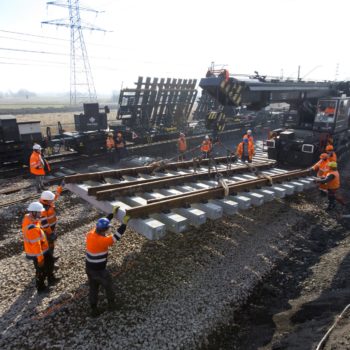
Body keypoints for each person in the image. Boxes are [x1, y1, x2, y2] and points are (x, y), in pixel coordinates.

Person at [85, 207, 130, 317]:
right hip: (99, 270)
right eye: (107, 229)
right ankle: (112, 305)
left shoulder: (90, 234)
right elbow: (117, 236)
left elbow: (102, 223)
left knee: (93, 287)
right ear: (104, 230)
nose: (108, 230)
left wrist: (111, 214)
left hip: (89, 269)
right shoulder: (104, 241)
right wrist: (124, 223)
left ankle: (94, 309)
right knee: (108, 286)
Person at [22, 202, 59, 293]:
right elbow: (36, 246)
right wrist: (40, 259)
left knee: (50, 262)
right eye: (39, 213)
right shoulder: (32, 228)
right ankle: (41, 287)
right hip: (38, 253)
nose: (41, 214)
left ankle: (51, 278)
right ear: (33, 212)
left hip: (43, 249)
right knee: (40, 270)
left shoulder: (29, 218)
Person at [39, 182, 64, 259]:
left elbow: (55, 196)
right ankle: (48, 258)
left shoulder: (47, 202)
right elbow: (44, 223)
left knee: (51, 242)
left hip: (51, 227)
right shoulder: (42, 208)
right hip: (46, 230)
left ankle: (51, 255)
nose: (53, 201)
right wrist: (50, 233)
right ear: (46, 200)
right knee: (47, 243)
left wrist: (61, 186)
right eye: (51, 200)